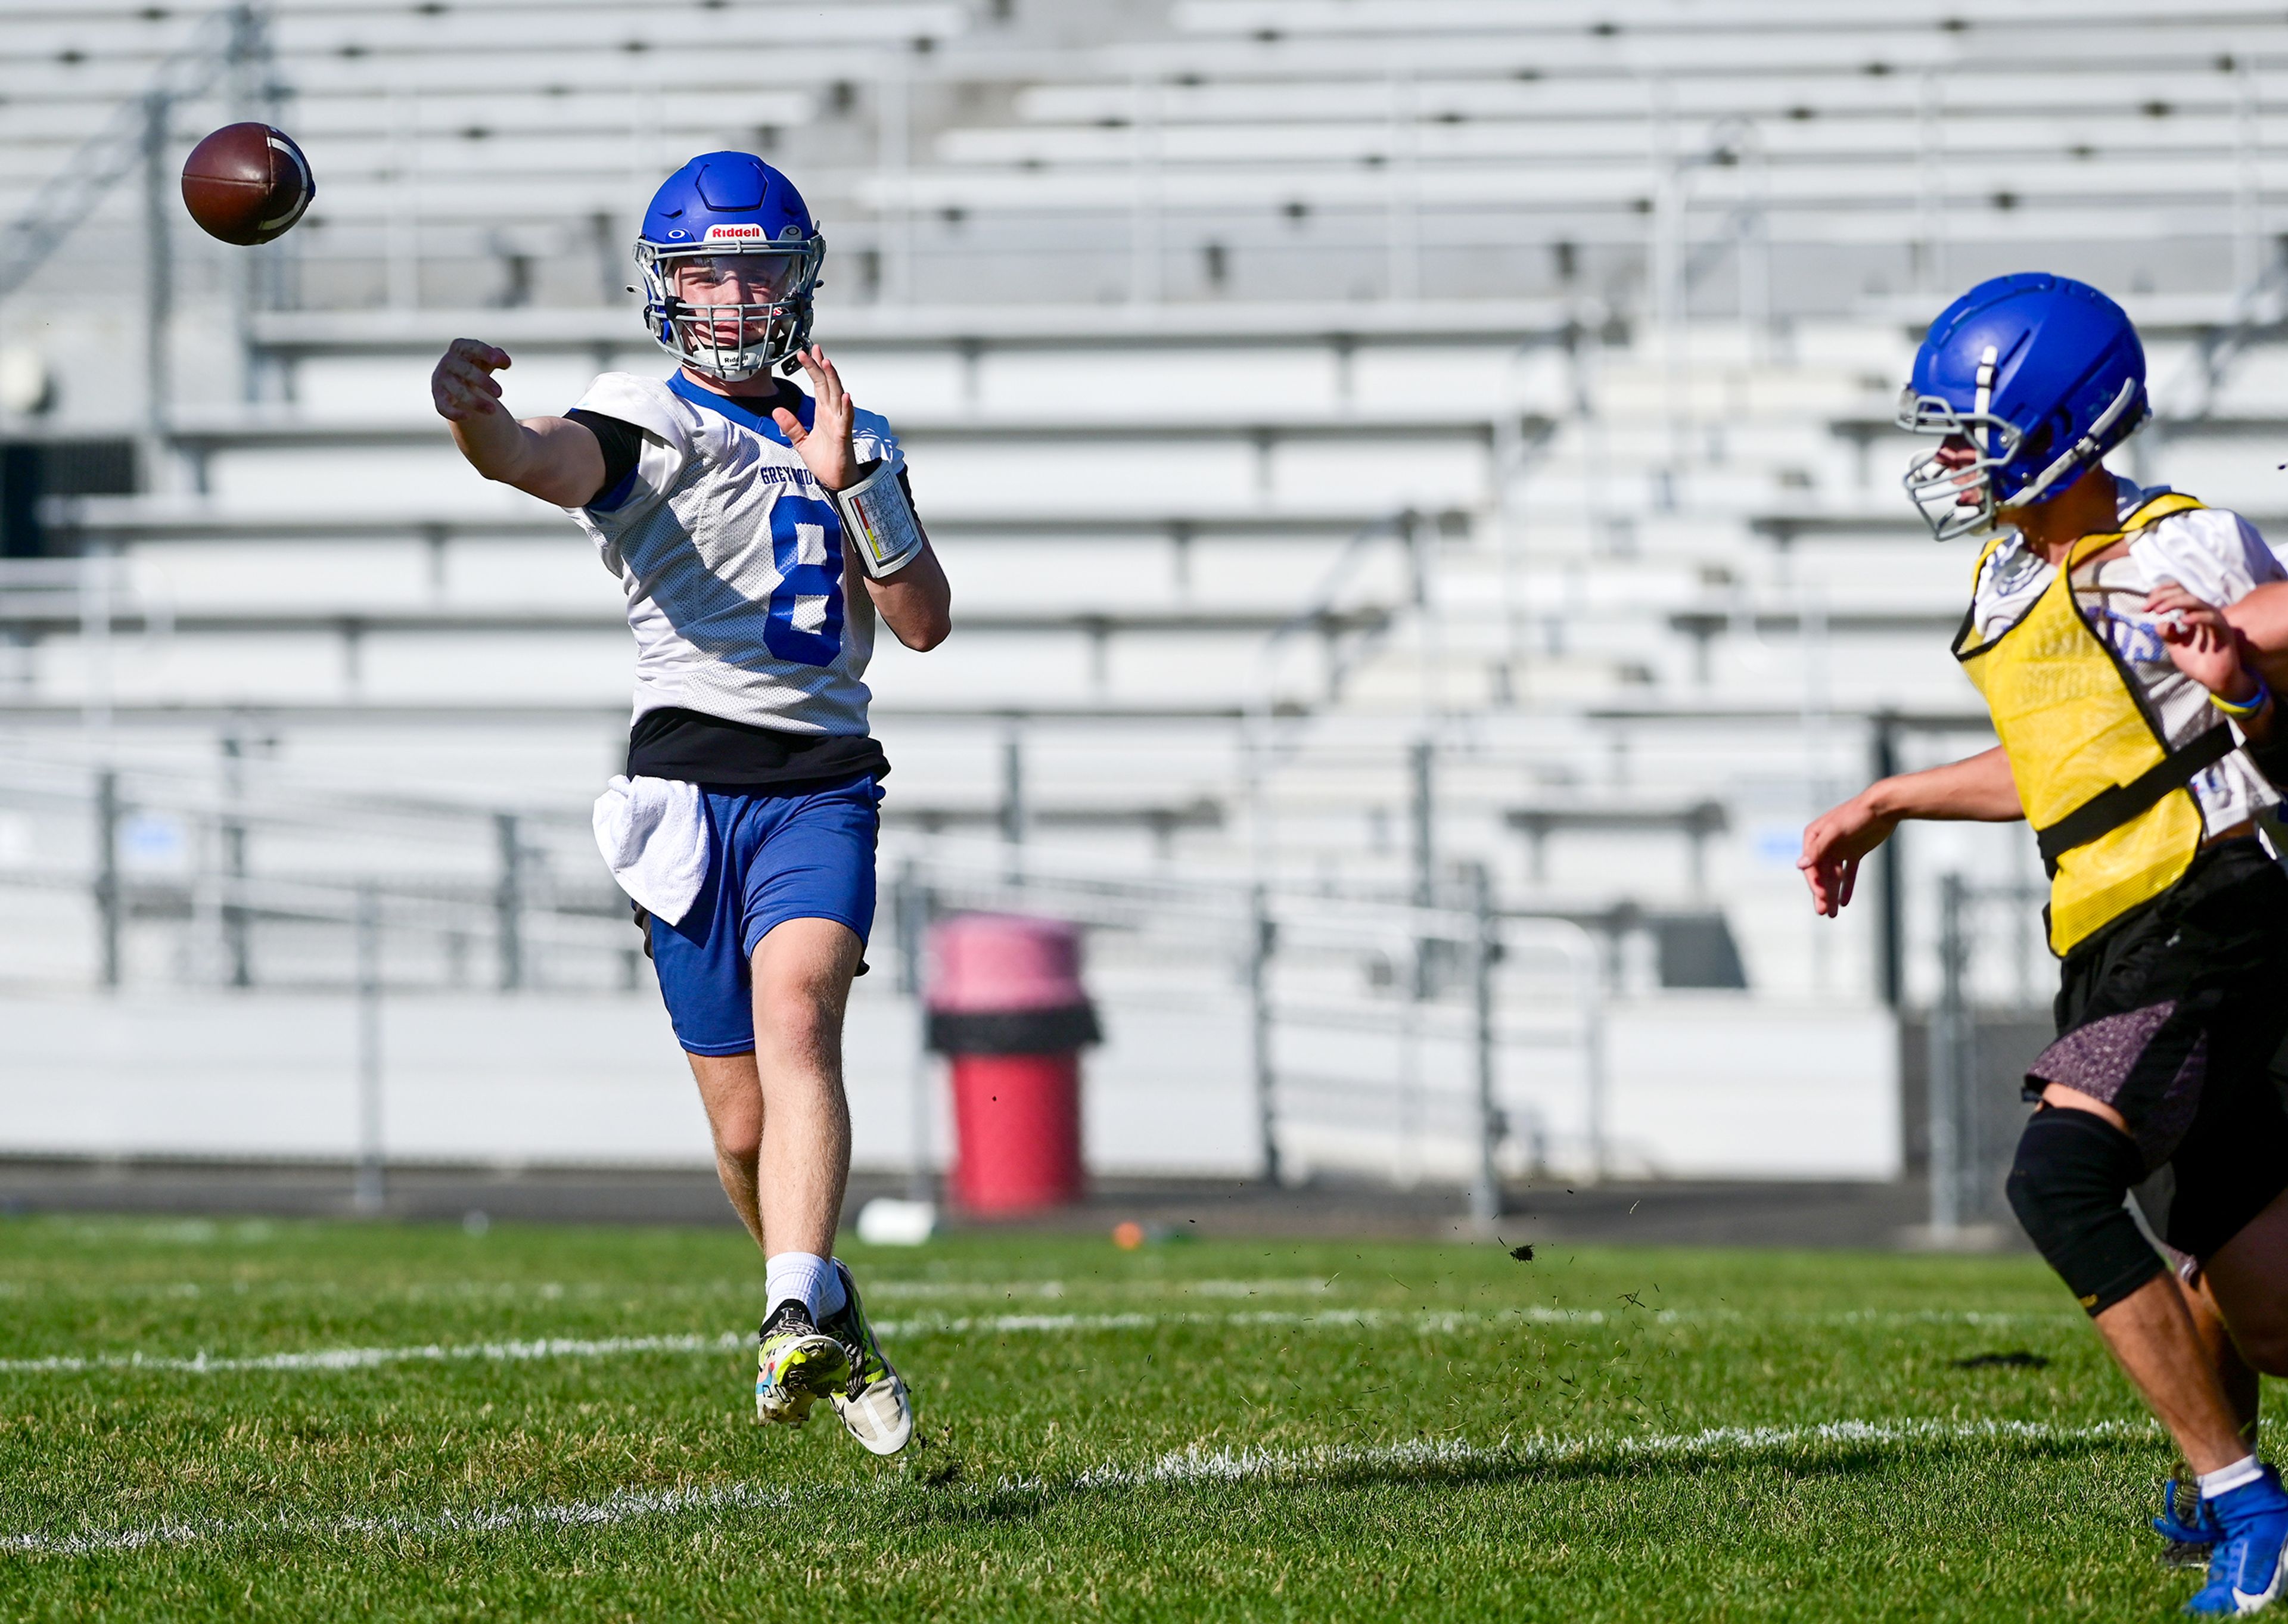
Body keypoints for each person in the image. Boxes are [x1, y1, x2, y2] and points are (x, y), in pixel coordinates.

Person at [428, 151, 949, 1456]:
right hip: (685, 792)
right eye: (704, 274)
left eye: (755, 269)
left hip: (821, 786)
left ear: (798, 279)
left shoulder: (854, 428)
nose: (730, 297)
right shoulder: (640, 413)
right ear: (667, 291)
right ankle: (818, 1295)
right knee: (739, 1120)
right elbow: (541, 458)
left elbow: (924, 622)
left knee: (800, 1017)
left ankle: (788, 1306)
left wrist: (855, 482)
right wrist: (472, 420)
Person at [1799, 272, 2288, 1613]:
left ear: (2063, 423)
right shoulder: (2015, 573)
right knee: (2262, 1307)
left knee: (2061, 1177)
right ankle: (2219, 1478)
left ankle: (2248, 1509)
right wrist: (1891, 797)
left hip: (2209, 908)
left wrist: (2243, 665)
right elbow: (2058, 767)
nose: (1949, 458)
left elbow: (2269, 653)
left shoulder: (2176, 545)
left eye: (1969, 429)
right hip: (2117, 923)